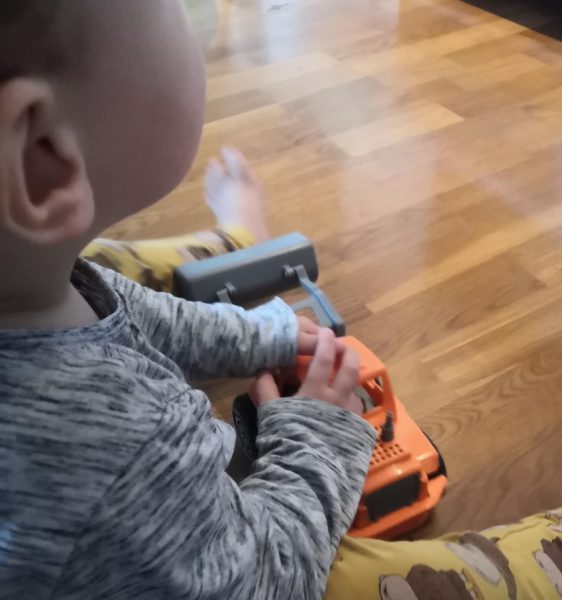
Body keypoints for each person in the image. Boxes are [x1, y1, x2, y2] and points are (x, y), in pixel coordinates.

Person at [0, 2, 559, 599]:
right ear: (43, 155)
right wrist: (319, 434)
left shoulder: (32, 281)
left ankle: (236, 240)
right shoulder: (117, 453)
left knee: (106, 261)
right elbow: (268, 577)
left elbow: (127, 307)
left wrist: (261, 335)